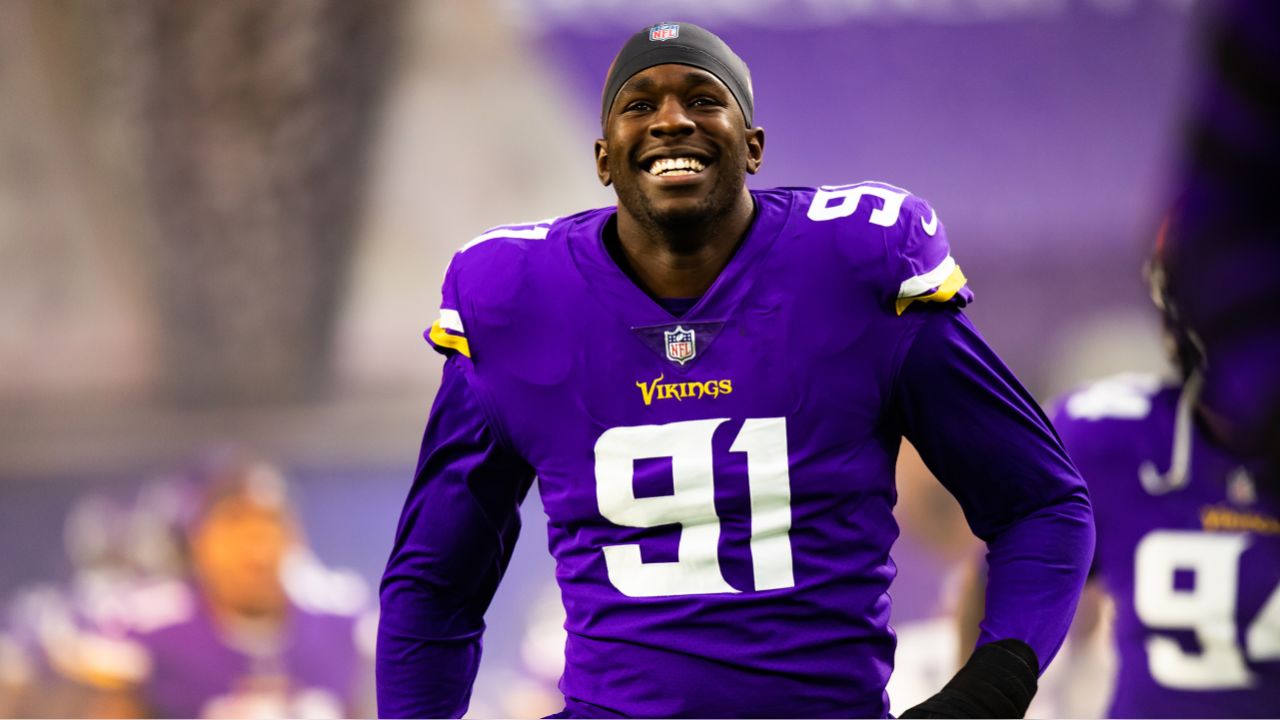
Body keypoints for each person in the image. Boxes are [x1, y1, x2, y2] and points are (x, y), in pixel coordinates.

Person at [378, 22, 1094, 718]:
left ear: (752, 146)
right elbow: (435, 583)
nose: (670, 121)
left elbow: (1041, 504)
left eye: (702, 99)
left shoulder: (854, 268)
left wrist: (988, 691)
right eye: (639, 104)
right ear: (603, 157)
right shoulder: (515, 298)